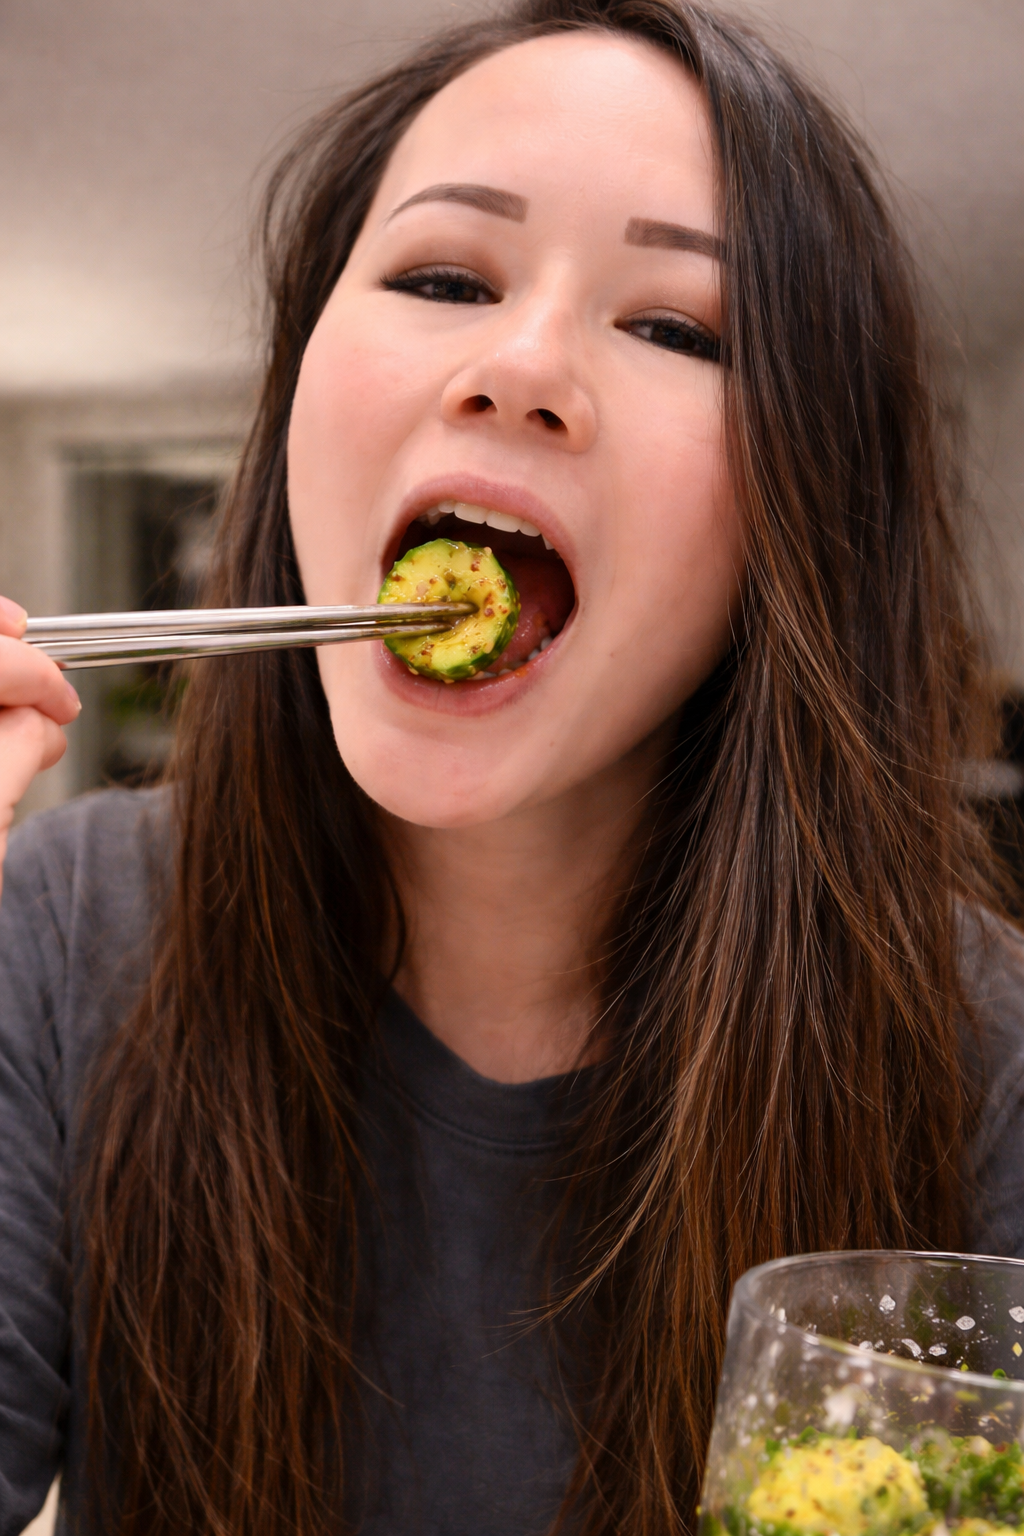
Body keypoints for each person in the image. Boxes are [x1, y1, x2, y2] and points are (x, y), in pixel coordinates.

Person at [1, 1, 1022, 1533]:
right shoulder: (60, 932)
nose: (522, 363)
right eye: (441, 277)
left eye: (678, 326)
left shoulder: (985, 1060)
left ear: (803, 515)